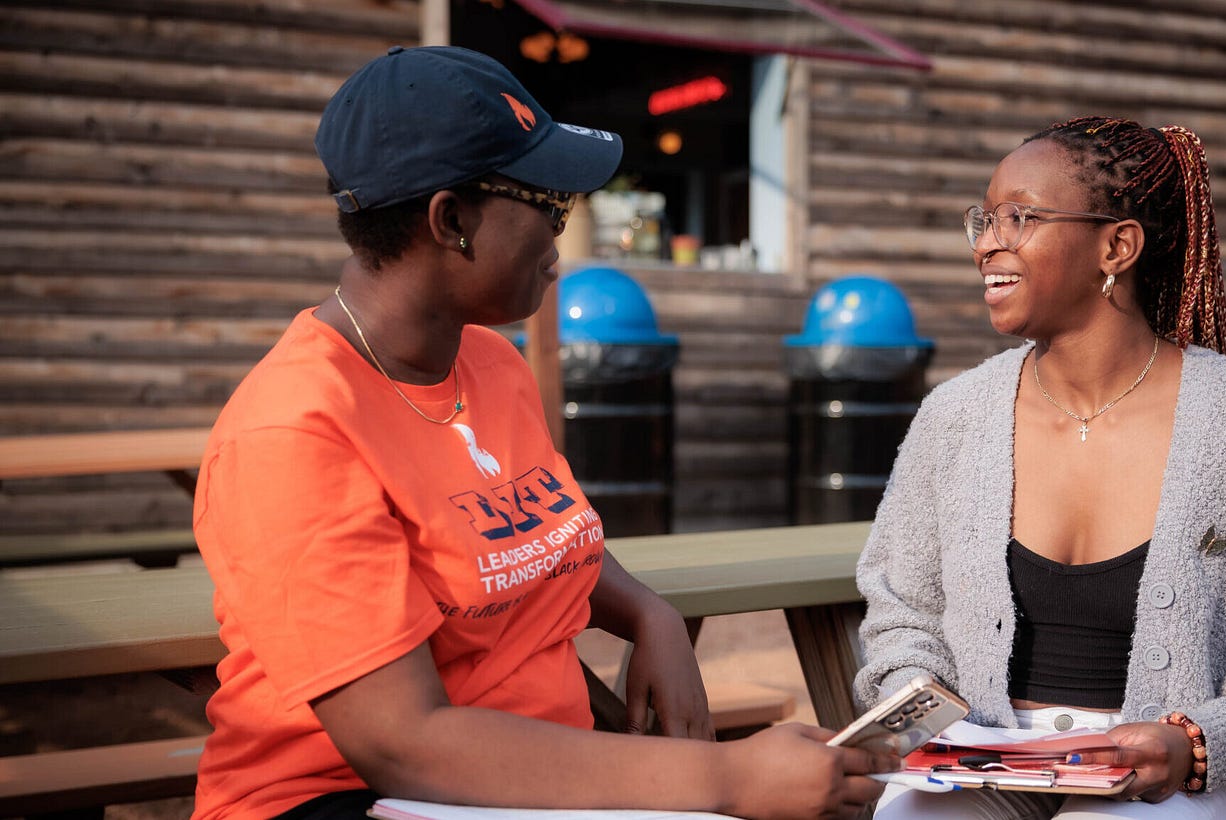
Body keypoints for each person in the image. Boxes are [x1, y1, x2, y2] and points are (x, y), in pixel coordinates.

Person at [191, 45, 895, 820]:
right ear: (451, 221)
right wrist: (726, 778)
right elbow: (401, 745)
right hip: (353, 797)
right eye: (550, 205)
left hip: (526, 785)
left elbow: (542, 536)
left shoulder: (491, 363)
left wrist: (648, 612)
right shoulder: (293, 433)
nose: (564, 238)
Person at [853, 116, 1226, 818]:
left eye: (1020, 218)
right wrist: (925, 714)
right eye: (984, 220)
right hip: (979, 759)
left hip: (1173, 780)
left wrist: (1193, 743)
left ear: (1117, 246)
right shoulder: (952, 418)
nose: (986, 243)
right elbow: (902, 614)